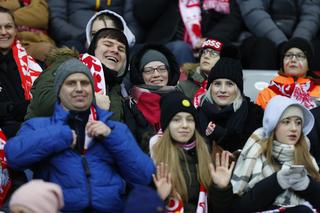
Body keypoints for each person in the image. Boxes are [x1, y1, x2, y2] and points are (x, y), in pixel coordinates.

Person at [4, 58, 155, 212]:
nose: (79, 88)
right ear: (58, 90)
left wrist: (112, 137)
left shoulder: (115, 129)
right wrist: (61, 136)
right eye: (71, 83)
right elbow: (14, 155)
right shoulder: (39, 126)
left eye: (85, 83)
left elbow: (145, 176)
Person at [231, 95, 320, 212]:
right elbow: (238, 207)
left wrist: (307, 186)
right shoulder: (255, 152)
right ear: (273, 125)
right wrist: (276, 182)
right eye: (286, 122)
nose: (294, 128)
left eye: (298, 123)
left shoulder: (306, 155)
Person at [151, 92, 235, 212]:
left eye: (190, 120)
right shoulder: (154, 156)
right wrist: (159, 198)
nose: (185, 125)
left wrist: (221, 189)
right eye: (176, 120)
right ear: (166, 125)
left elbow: (221, 209)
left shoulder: (207, 153)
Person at [26, 28, 129, 122]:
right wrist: (91, 100)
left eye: (121, 49)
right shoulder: (67, 63)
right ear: (93, 49)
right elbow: (44, 103)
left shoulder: (119, 92)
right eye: (108, 44)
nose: (115, 50)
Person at [131, 0, 243, 65]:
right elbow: (143, 15)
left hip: (201, 48)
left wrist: (211, 39)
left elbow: (232, 20)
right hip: (159, 45)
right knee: (181, 48)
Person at [198, 57, 263, 153]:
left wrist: (222, 135)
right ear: (210, 88)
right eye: (217, 84)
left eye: (229, 84)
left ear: (238, 89)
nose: (223, 90)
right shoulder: (196, 115)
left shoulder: (254, 116)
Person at [124, 44, 180, 152]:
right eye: (149, 70)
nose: (156, 74)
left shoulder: (180, 100)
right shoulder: (130, 104)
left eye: (162, 69)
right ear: (140, 75)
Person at [237, 0, 320, 69]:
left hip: (302, 38)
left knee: (314, 49)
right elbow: (253, 13)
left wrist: (297, 44)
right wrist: (281, 43)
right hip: (260, 37)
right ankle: (262, 87)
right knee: (263, 48)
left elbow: (312, 14)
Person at [0, 6, 42, 139]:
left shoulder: (34, 65)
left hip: (33, 129)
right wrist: (13, 108)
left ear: (15, 30)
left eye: (8, 26)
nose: (3, 32)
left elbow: (44, 103)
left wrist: (9, 108)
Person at [47, 0, 137, 53]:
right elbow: (56, 21)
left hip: (117, 41)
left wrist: (120, 40)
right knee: (71, 49)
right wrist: (86, 37)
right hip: (78, 41)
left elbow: (133, 24)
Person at [256, 37, 320, 110]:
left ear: (309, 64)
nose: (293, 60)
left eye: (299, 56)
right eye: (288, 55)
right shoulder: (266, 94)